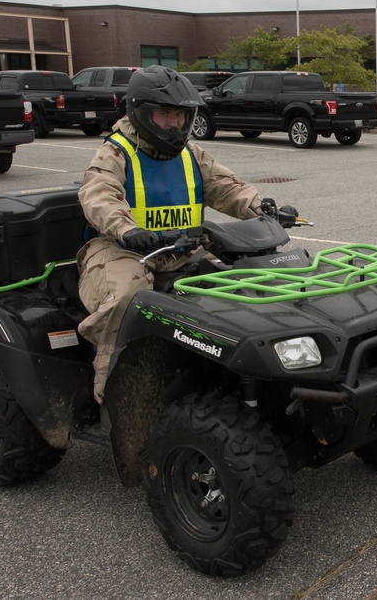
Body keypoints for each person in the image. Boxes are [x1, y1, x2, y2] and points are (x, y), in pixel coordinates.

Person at [76, 66, 269, 403]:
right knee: (128, 297)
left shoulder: (190, 153)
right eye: (164, 114)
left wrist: (263, 208)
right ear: (140, 113)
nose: (174, 124)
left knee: (244, 283)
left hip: (183, 250)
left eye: (180, 115)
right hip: (123, 251)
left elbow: (224, 187)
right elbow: (99, 195)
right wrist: (127, 229)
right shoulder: (117, 151)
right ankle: (115, 390)